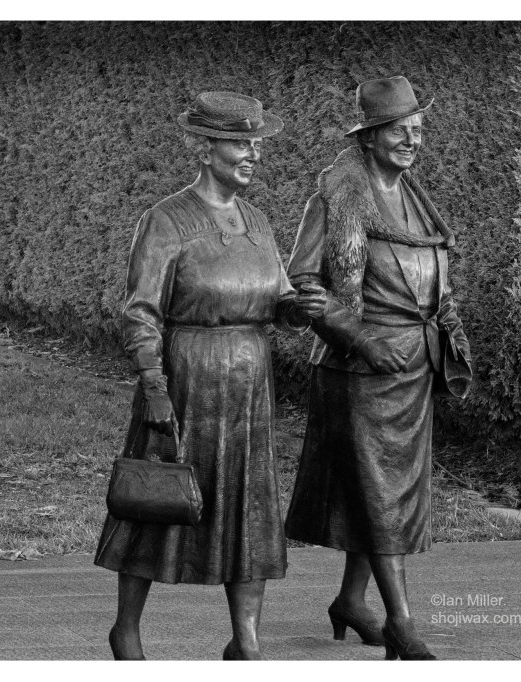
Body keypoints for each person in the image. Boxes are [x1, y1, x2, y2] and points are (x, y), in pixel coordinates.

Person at [94, 92, 321, 660]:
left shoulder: (258, 221)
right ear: (204, 147)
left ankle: (246, 641)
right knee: (157, 499)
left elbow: (277, 296)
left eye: (256, 144)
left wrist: (298, 307)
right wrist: (153, 387)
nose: (254, 155)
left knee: (251, 509)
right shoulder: (166, 219)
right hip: (187, 378)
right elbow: (141, 310)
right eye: (242, 144)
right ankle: (126, 628)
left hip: (249, 385)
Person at [283, 77, 472, 661]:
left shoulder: (415, 198)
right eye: (399, 129)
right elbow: (303, 286)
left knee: (382, 494)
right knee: (382, 494)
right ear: (369, 136)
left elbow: (432, 279)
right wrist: (362, 339)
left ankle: (350, 602)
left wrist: (446, 340)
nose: (412, 139)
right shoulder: (337, 196)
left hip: (414, 370)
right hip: (359, 371)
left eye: (417, 129)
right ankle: (402, 624)